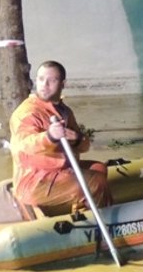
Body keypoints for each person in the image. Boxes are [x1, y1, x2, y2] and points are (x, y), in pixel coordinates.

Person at [8, 60, 113, 217]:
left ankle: (81, 212)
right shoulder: (27, 112)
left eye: (52, 80)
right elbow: (24, 144)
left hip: (57, 170)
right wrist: (49, 136)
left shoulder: (64, 111)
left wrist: (77, 138)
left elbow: (84, 146)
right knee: (97, 182)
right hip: (35, 180)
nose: (45, 84)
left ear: (63, 84)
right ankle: (103, 222)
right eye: (41, 79)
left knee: (99, 168)